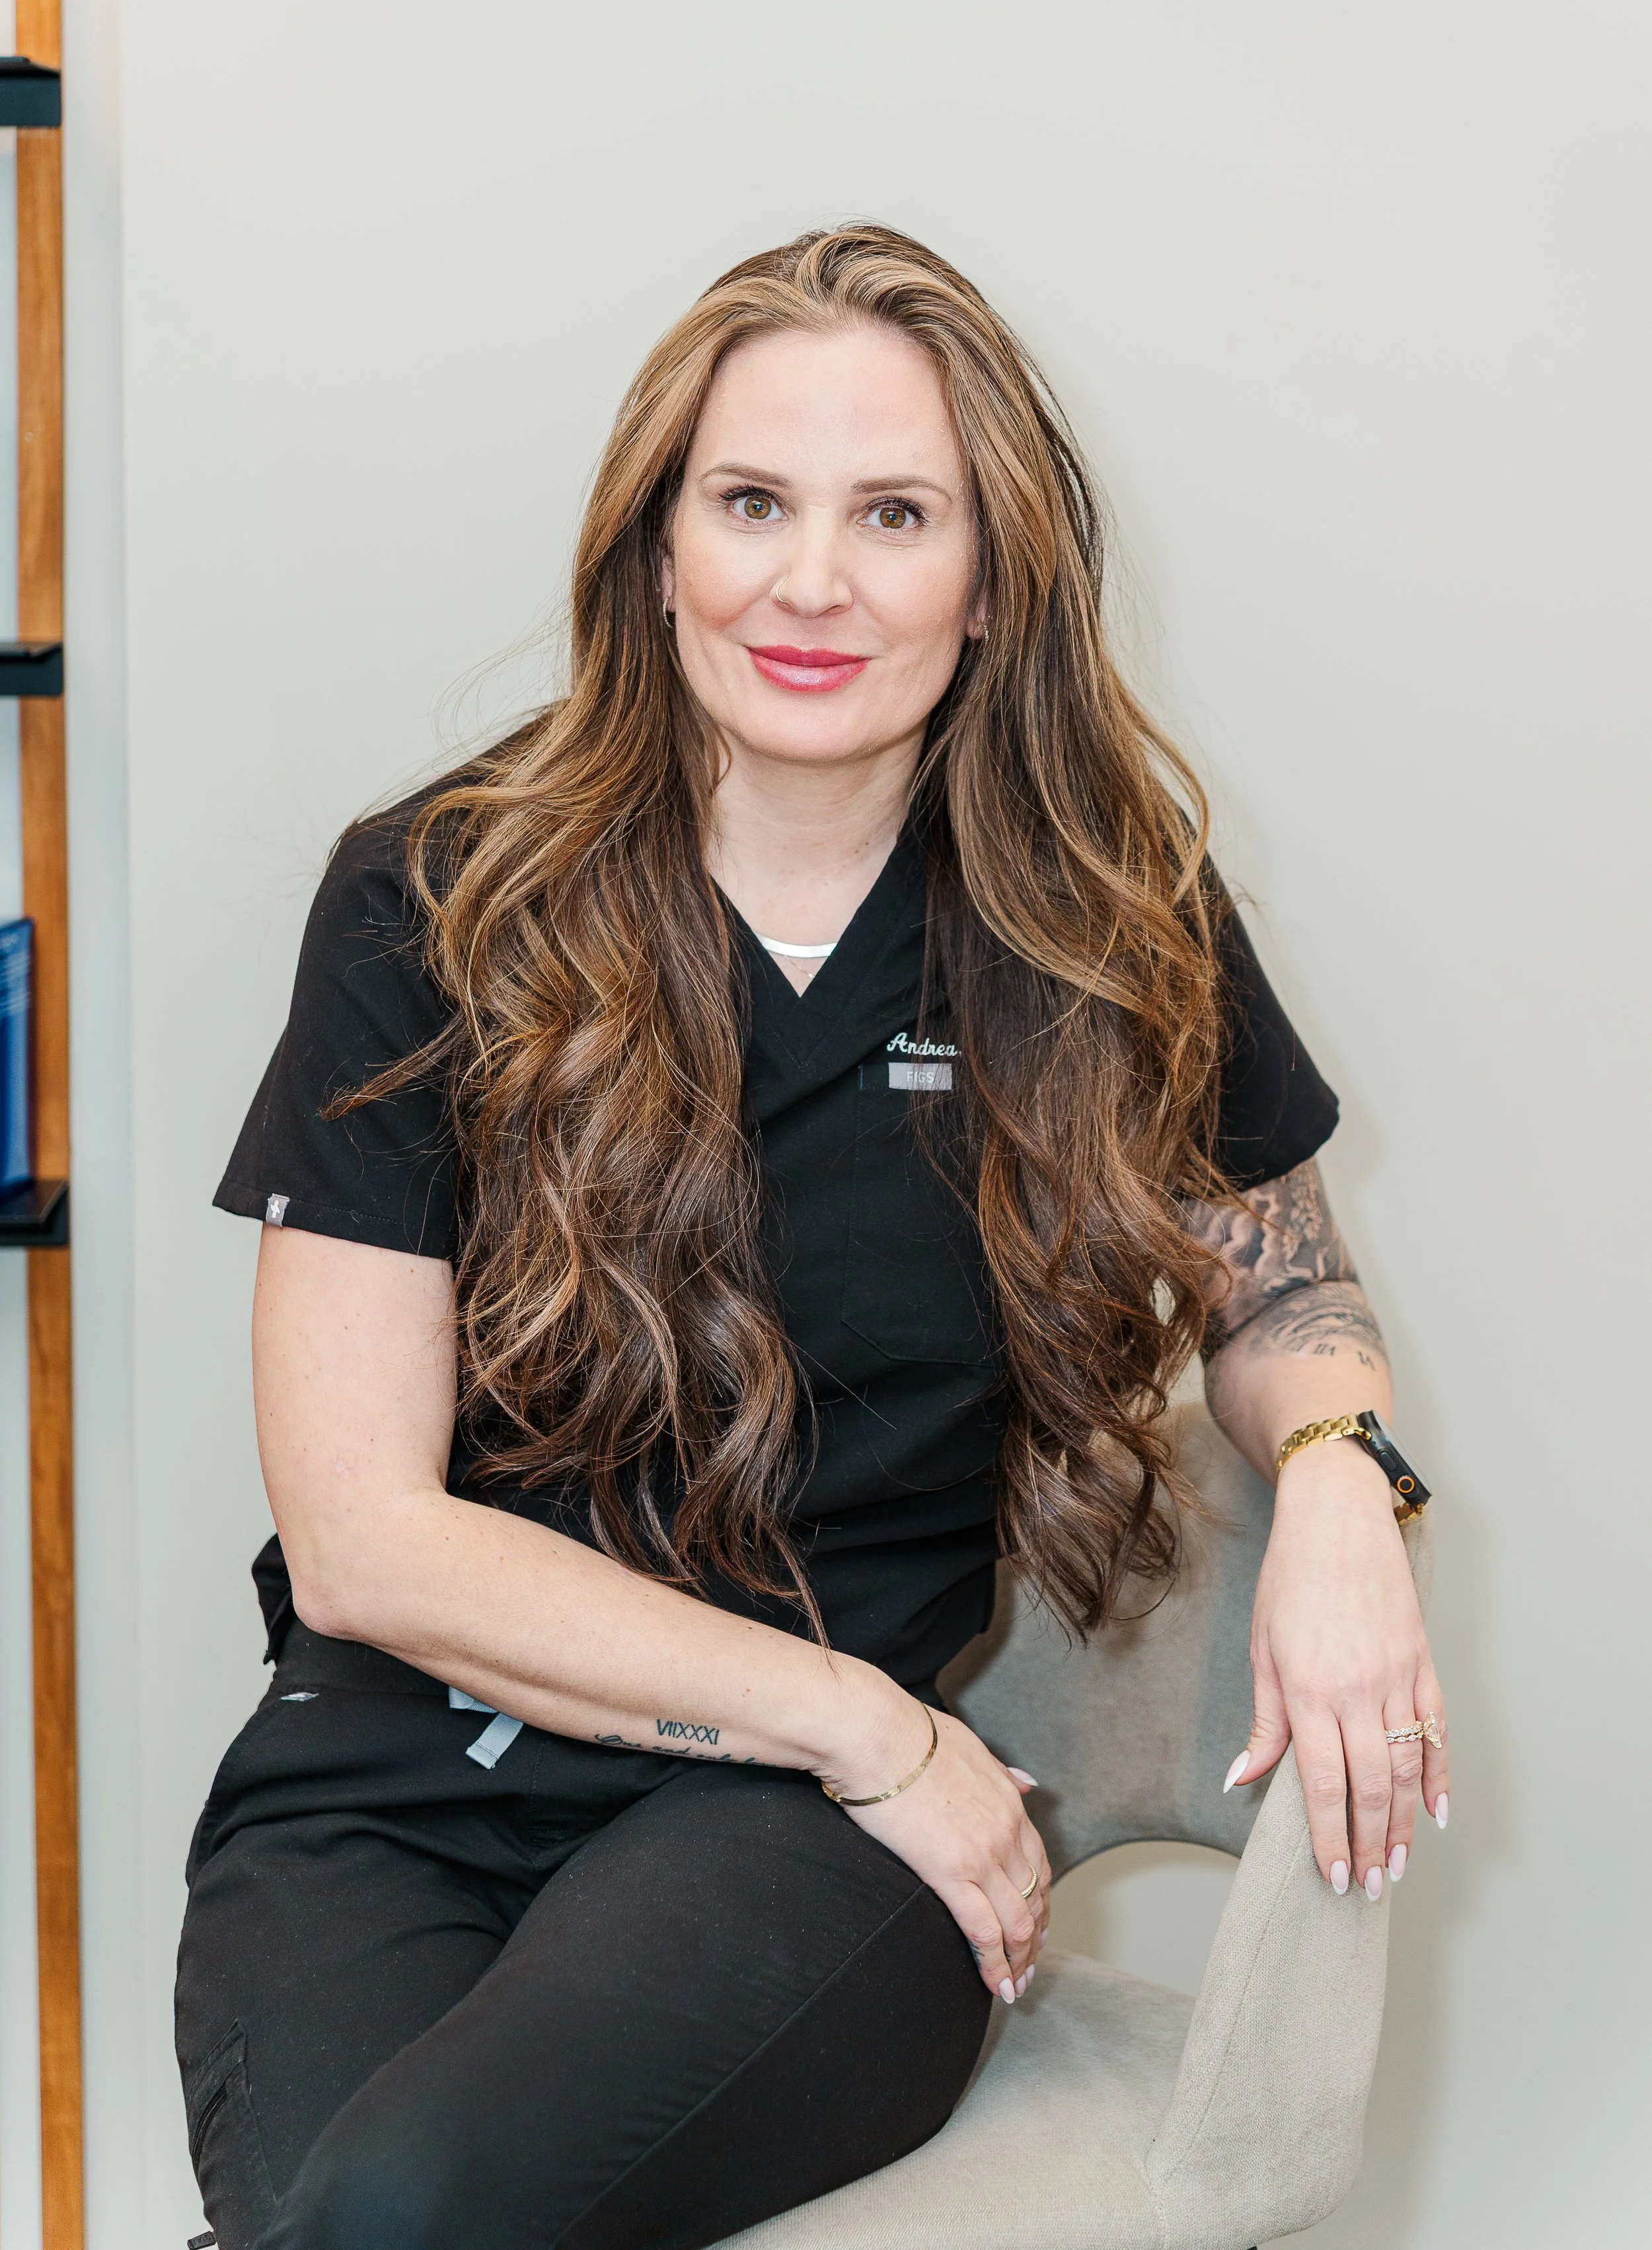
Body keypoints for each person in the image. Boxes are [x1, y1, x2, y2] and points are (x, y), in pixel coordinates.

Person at [177, 225, 1448, 2250]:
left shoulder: (1096, 922)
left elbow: (1277, 1284)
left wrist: (1332, 1479)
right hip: (415, 1781)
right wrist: (879, 1725)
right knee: (325, 2219)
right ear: (654, 545)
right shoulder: (433, 902)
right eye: (749, 501)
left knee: (405, 2210)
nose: (810, 581)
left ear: (990, 577)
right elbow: (362, 1536)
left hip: (793, 1845)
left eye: (893, 514)